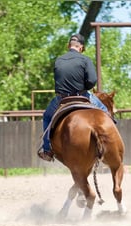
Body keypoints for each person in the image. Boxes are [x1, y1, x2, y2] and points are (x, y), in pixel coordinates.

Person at [38, 34, 108, 162]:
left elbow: (58, 79)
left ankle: (47, 149)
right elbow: (92, 81)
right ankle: (110, 142)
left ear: (68, 46)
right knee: (105, 111)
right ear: (81, 47)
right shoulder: (85, 59)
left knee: (47, 117)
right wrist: (84, 87)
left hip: (62, 99)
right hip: (82, 95)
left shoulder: (58, 60)